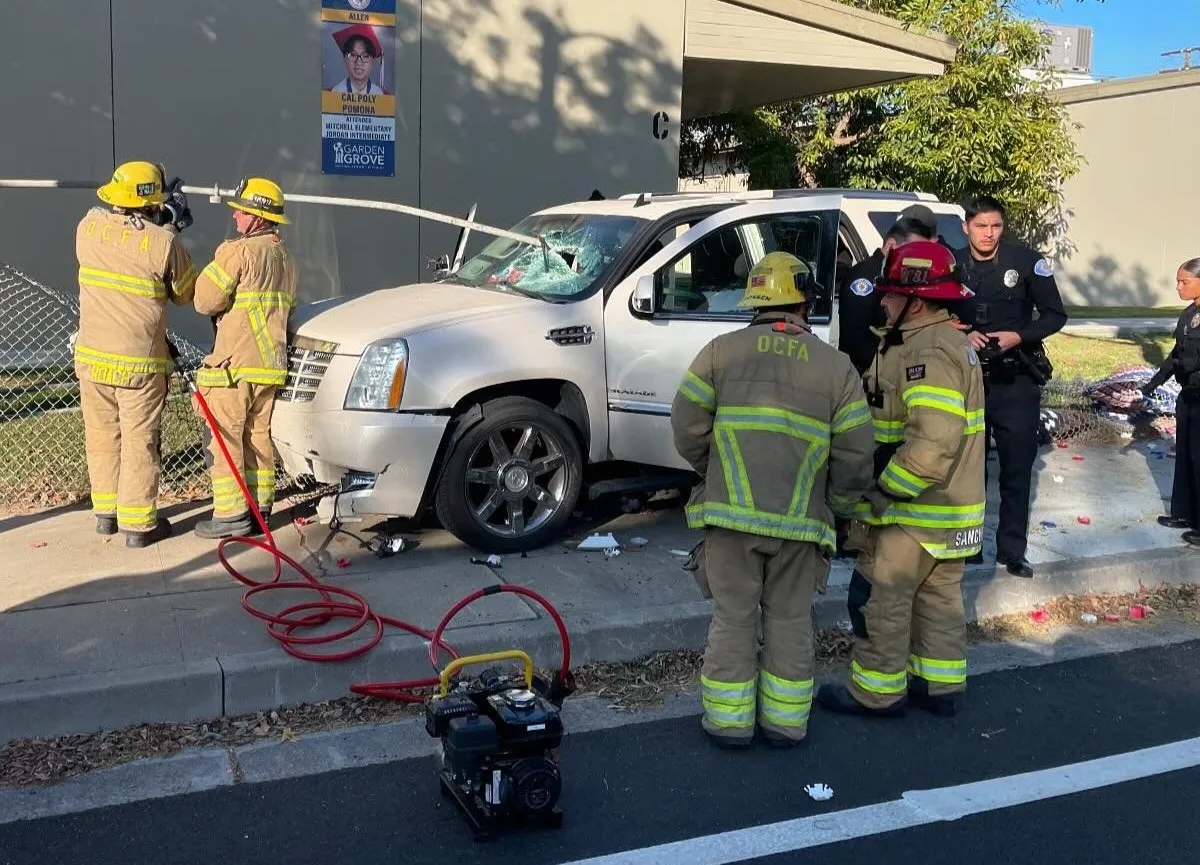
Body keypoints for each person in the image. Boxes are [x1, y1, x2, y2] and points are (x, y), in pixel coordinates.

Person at [671, 251, 875, 749]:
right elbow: (855, 454)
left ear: (756, 299)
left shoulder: (720, 352)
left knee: (733, 618)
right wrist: (840, 506)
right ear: (804, 300)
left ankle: (728, 724)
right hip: (801, 524)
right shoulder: (837, 368)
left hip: (731, 521)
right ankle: (785, 724)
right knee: (788, 620)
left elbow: (686, 427)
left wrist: (712, 473)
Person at [817, 240, 986, 719]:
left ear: (917, 299)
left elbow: (932, 443)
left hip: (913, 509)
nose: (881, 301)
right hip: (953, 510)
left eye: (891, 294)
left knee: (879, 598)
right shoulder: (949, 342)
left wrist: (885, 490)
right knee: (938, 601)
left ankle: (876, 693)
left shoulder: (926, 352)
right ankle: (939, 687)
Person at [74, 160, 196, 548]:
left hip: (91, 358)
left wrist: (157, 220)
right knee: (139, 439)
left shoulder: (87, 228)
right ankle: (139, 525)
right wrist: (171, 228)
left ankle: (105, 515)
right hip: (139, 365)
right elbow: (186, 292)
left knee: (101, 435)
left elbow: (123, 240)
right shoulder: (164, 244)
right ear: (153, 201)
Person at [948, 196, 1067, 578]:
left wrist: (1019, 335)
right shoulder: (951, 264)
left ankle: (1012, 551)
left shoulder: (1025, 261)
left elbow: (1055, 314)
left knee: (1017, 469)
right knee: (968, 470)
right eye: (981, 226)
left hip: (1015, 380)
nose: (988, 233)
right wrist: (961, 333)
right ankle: (969, 547)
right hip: (967, 379)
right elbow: (930, 312)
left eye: (995, 226)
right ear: (966, 227)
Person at [191, 177, 299, 539]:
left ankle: (231, 514)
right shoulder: (286, 258)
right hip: (269, 365)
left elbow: (205, 300)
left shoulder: (238, 252)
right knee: (258, 436)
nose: (236, 216)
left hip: (233, 366)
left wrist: (218, 256)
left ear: (258, 217)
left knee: (226, 437)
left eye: (243, 211)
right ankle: (260, 508)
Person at [1143, 258, 1200, 546]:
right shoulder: (1189, 314)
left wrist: (1187, 362)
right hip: (1188, 394)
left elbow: (1189, 359)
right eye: (1178, 281)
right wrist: (1154, 383)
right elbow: (1177, 353)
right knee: (1187, 456)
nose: (1178, 287)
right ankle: (1184, 514)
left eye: (1184, 282)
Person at [838, 213, 937, 374]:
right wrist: (892, 365)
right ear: (890, 245)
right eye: (913, 250)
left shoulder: (900, 276)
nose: (919, 257)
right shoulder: (865, 278)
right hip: (867, 374)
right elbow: (856, 339)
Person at [327, 24, 390, 95]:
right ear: (345, 60)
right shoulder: (334, 93)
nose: (359, 62)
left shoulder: (381, 95)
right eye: (353, 55)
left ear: (373, 62)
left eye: (365, 56)